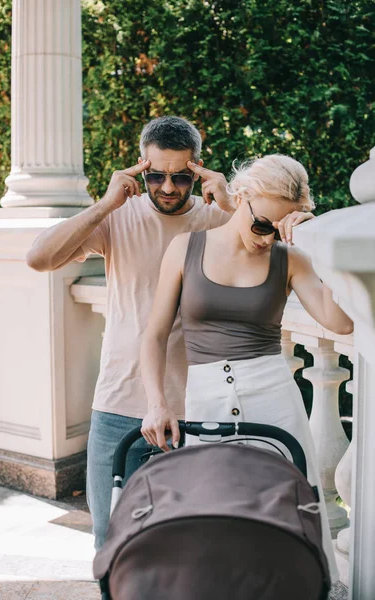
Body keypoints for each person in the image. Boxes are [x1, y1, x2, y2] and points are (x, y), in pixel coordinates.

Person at [26, 117, 314, 551]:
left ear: (198, 169)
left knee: (191, 549)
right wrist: (106, 203)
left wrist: (231, 206)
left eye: (180, 176)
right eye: (156, 174)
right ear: (140, 170)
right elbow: (39, 258)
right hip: (120, 403)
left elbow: (273, 238)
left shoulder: (224, 220)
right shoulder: (120, 218)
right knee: (112, 541)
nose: (167, 186)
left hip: (202, 410)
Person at [140, 153, 353, 584]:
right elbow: (154, 334)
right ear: (242, 198)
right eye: (262, 224)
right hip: (207, 402)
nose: (268, 237)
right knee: (215, 514)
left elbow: (341, 321)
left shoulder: (289, 259)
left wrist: (312, 242)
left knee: (288, 511)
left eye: (279, 228)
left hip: (275, 399)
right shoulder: (186, 248)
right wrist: (157, 404)